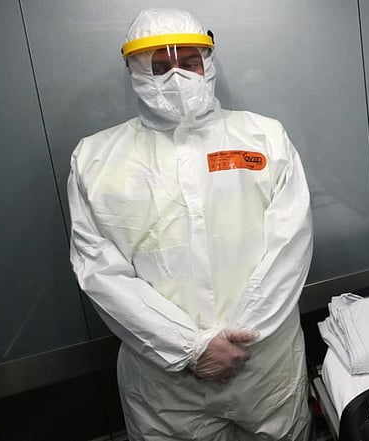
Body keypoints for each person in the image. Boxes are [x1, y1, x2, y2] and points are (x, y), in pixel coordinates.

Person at [67, 8, 313, 441]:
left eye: (188, 62)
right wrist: (190, 347)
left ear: (208, 63)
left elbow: (290, 245)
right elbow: (100, 271)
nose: (176, 77)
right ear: (134, 72)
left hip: (263, 366)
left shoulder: (264, 137)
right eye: (159, 67)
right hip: (167, 384)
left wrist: (239, 339)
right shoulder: (96, 159)